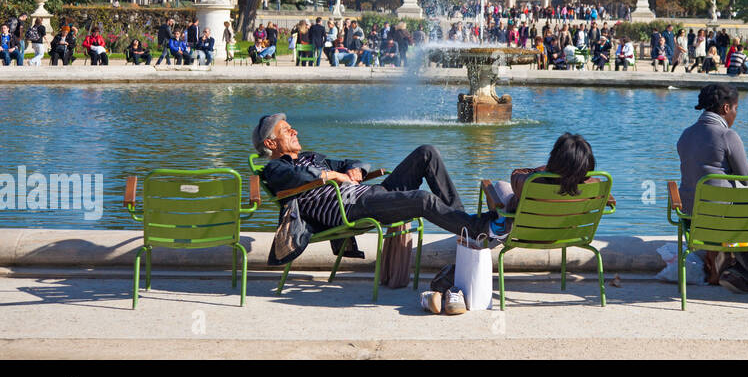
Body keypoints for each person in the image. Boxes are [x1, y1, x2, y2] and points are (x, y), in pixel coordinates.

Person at [253, 114, 503, 240]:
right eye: (286, 130)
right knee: (422, 200)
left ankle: (464, 227)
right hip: (350, 208)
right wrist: (335, 176)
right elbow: (301, 176)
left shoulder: (311, 156)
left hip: (370, 196)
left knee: (427, 153)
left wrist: (357, 170)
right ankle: (476, 229)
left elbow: (350, 163)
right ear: (270, 143)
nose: (294, 131)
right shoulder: (275, 169)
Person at [675, 83, 748, 294]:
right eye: (736, 109)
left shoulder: (685, 135)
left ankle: (718, 259)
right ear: (725, 109)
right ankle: (740, 270)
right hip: (722, 220)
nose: (735, 115)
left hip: (691, 218)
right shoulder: (727, 136)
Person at [483, 132, 616, 214]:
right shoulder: (596, 186)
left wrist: (546, 169)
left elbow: (516, 176)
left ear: (554, 157)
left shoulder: (534, 181)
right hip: (567, 234)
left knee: (499, 185)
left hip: (524, 234)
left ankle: (496, 230)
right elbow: (611, 201)